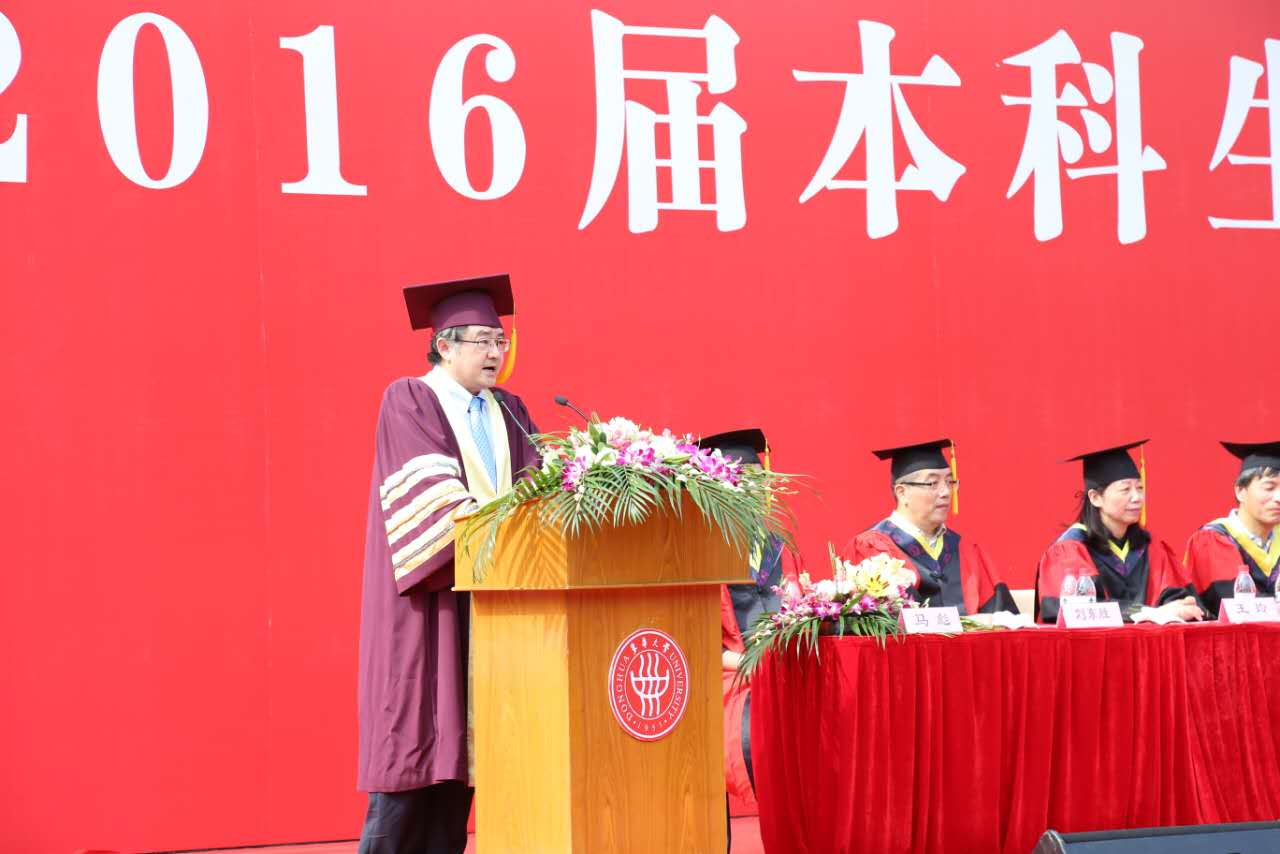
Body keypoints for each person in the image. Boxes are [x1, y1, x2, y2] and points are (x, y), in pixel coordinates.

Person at [356, 274, 540, 854]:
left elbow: (541, 493)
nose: (495, 353)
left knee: (464, 770)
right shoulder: (411, 399)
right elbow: (434, 505)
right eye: (482, 341)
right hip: (431, 605)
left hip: (495, 609)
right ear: (443, 345)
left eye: (500, 341)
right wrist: (505, 528)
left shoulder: (510, 411)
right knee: (413, 764)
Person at [699, 428, 784, 825]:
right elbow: (691, 634)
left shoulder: (776, 543)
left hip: (776, 670)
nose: (757, 487)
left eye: (760, 477)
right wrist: (748, 662)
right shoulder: (701, 546)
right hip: (725, 673)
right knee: (756, 732)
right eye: (744, 477)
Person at [1035, 440, 1202, 624]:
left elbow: (1176, 597)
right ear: (1095, 498)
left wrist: (1180, 607)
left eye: (1140, 488)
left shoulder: (1152, 548)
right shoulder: (1069, 550)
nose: (1137, 497)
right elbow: (1078, 610)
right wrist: (1148, 612)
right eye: (1125, 489)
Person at [844, 439, 1016, 614]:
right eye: (932, 483)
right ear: (902, 493)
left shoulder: (966, 550)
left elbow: (1005, 618)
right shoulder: (871, 549)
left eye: (949, 482)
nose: (946, 492)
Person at [1184, 441, 1280, 614]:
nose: (1278, 497)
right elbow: (1236, 604)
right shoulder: (1212, 539)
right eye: (1269, 488)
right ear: (1240, 491)